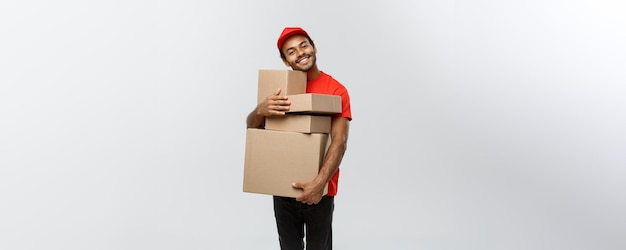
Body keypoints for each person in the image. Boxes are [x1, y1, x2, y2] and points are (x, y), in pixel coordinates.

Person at [246, 27, 352, 250]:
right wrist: (261, 110)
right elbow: (252, 128)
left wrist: (318, 184)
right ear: (286, 61)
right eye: (291, 51)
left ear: (313, 47)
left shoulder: (336, 90)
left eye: (304, 45)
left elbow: (339, 141)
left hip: (320, 190)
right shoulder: (280, 88)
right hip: (283, 186)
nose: (300, 53)